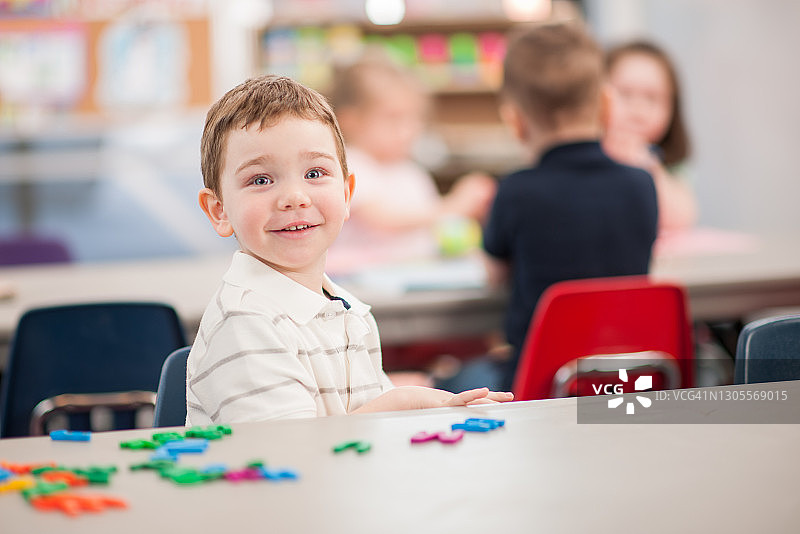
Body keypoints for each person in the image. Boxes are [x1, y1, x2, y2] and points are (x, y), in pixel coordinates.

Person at [187, 75, 512, 424]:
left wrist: (419, 402)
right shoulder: (245, 323)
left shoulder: (348, 310)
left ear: (346, 195)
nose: (295, 197)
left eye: (315, 173)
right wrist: (403, 401)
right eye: (260, 180)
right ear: (219, 211)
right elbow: (288, 450)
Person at [479, 23, 659, 391]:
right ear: (607, 106)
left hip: (539, 392)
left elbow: (494, 276)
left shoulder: (514, 191)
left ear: (516, 121)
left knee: (459, 378)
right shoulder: (642, 185)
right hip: (629, 384)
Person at [327, 55, 496, 266]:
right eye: (394, 118)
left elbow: (432, 225)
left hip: (413, 273)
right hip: (363, 277)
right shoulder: (350, 165)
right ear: (350, 121)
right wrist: (453, 204)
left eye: (414, 119)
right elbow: (383, 220)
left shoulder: (410, 171)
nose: (408, 131)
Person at [603, 40, 698, 233]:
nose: (638, 111)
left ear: (672, 108)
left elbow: (681, 221)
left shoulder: (667, 165)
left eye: (652, 98)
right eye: (625, 94)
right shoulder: (587, 153)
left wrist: (649, 168)